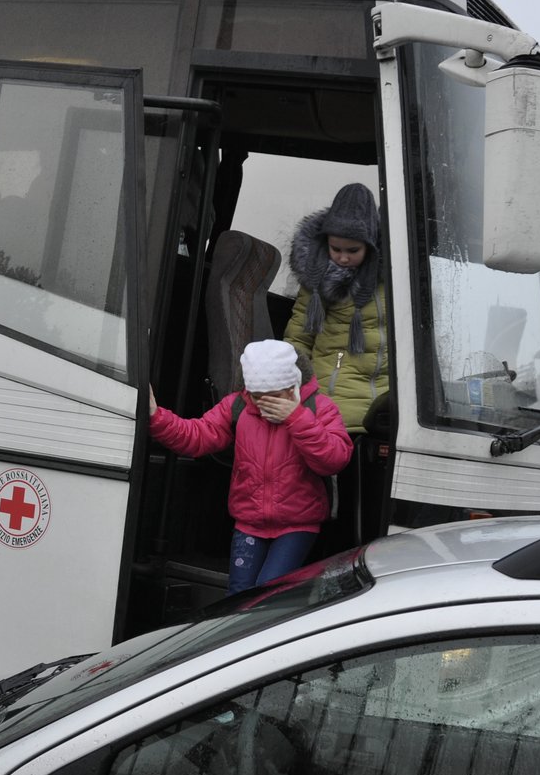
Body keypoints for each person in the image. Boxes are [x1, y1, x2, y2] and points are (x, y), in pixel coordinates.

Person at [149, 339, 353, 594]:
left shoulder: (319, 408)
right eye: (257, 397)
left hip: (298, 523)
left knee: (267, 592)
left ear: (292, 388)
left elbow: (334, 459)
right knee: (238, 593)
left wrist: (296, 418)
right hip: (249, 522)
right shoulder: (239, 406)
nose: (262, 405)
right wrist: (155, 416)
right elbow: (196, 436)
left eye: (273, 398)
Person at [283, 181, 390, 432]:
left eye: (353, 250)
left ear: (372, 247)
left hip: (385, 401)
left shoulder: (391, 280)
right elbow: (298, 337)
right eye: (336, 249)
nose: (343, 257)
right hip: (332, 397)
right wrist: (296, 392)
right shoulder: (317, 280)